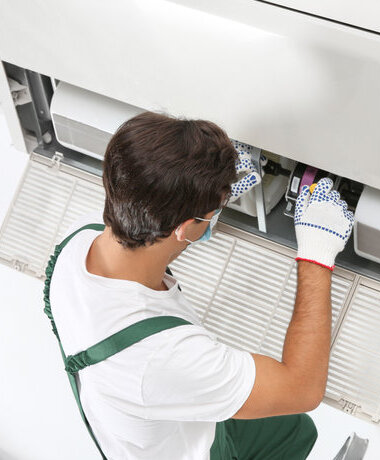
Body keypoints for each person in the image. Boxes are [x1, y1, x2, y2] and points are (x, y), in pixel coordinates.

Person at [45, 111, 354, 459]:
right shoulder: (165, 356)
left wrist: (204, 203)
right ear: (183, 227)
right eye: (209, 213)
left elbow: (153, 243)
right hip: (190, 447)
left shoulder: (80, 242)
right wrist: (317, 252)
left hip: (148, 407)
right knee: (289, 408)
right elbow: (302, 389)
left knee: (292, 429)